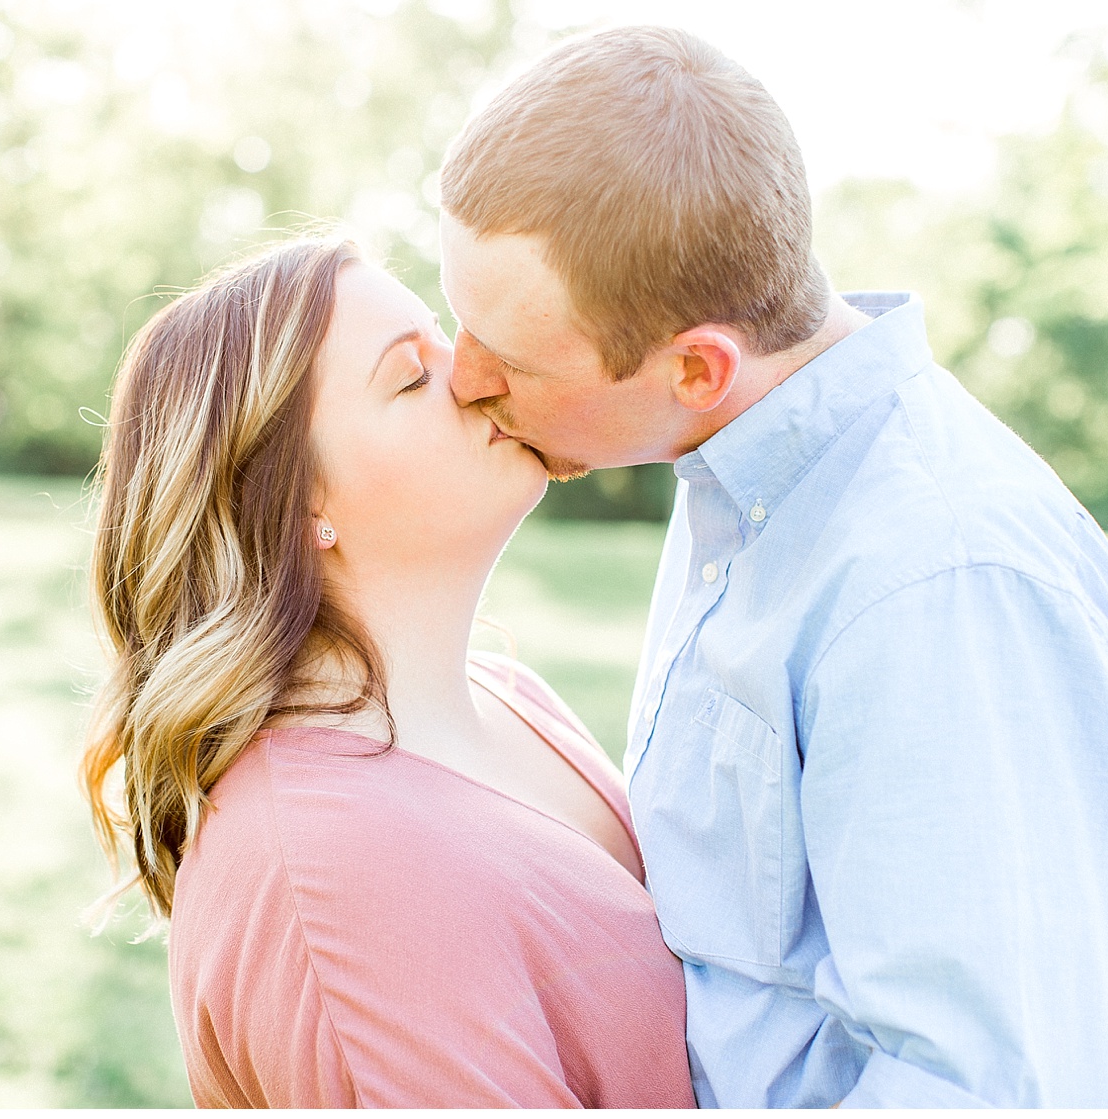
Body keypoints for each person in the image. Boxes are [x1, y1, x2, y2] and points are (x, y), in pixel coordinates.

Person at [437, 25, 1108, 1108]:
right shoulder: (741, 482)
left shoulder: (934, 583)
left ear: (698, 367)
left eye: (507, 357)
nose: (462, 378)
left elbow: (975, 1087)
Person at [79, 238, 695, 1109]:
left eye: (444, 334)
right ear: (296, 503)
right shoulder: (332, 869)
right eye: (411, 376)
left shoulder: (511, 696)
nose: (477, 371)